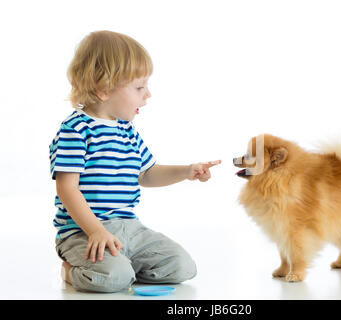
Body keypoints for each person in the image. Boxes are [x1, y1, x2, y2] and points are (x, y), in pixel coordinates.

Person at [49, 30, 221, 293]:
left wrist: (186, 171)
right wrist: (96, 231)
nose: (147, 94)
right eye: (139, 87)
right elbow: (67, 189)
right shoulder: (76, 130)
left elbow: (148, 174)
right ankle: (73, 272)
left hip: (130, 228)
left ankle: (123, 267)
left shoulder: (126, 130)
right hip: (83, 231)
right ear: (103, 89)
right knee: (112, 279)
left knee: (182, 266)